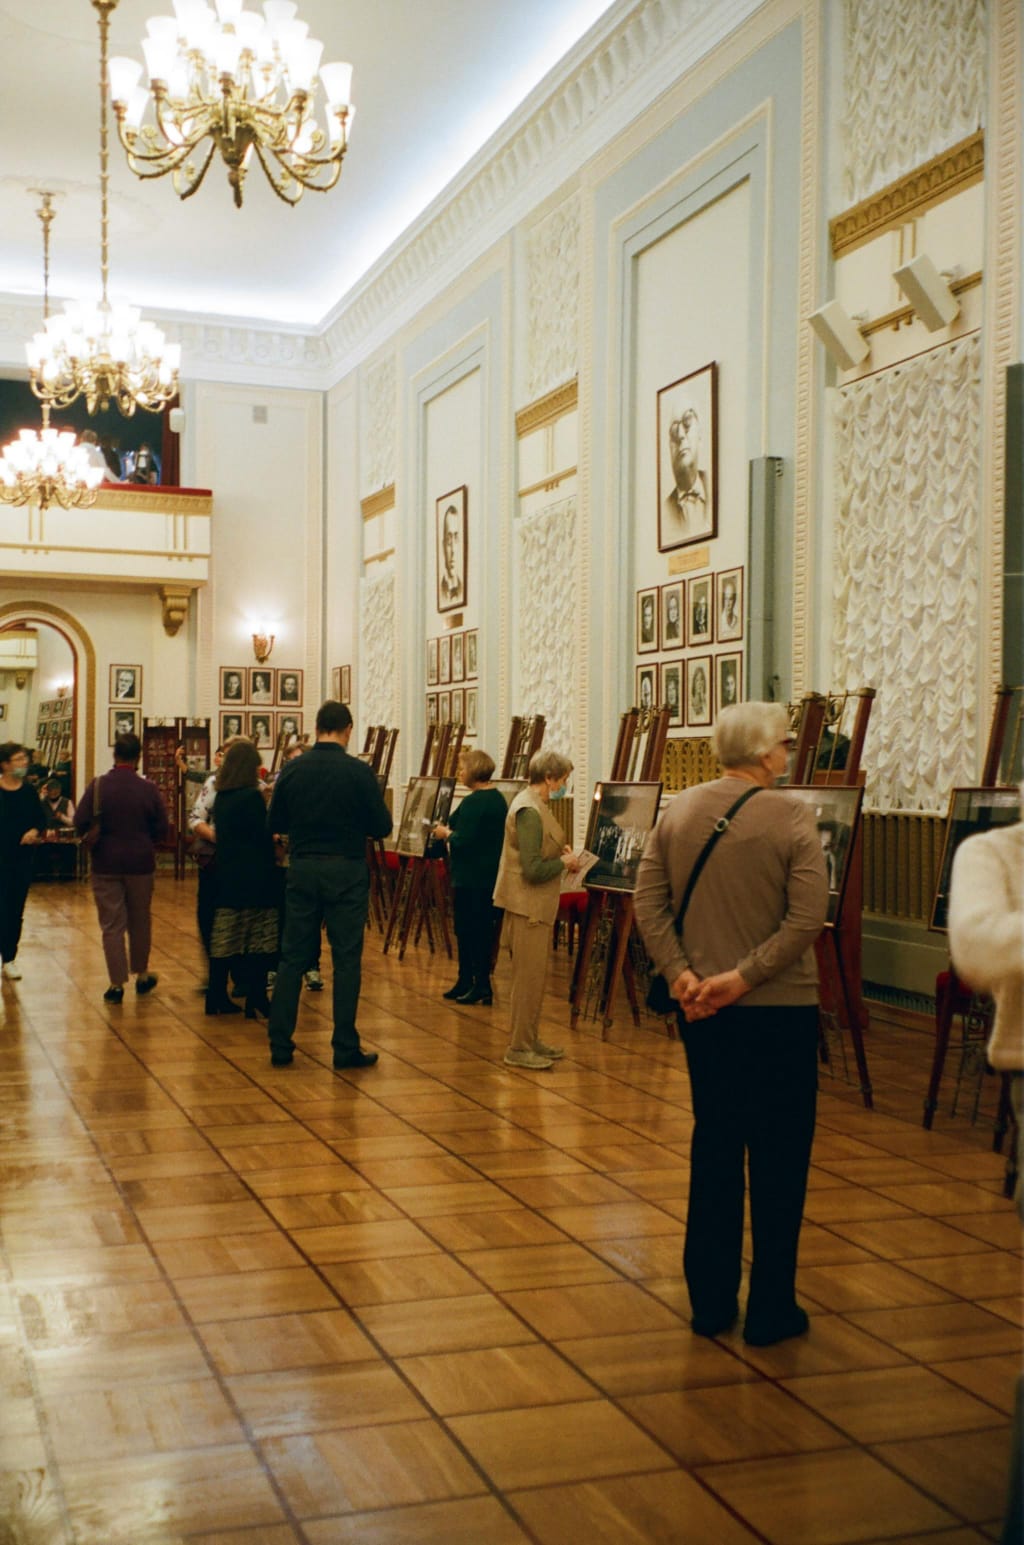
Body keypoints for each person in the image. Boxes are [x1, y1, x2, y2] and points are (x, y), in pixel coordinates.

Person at [634, 702, 828, 1348]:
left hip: (702, 1011)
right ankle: (771, 1306)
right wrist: (744, 977)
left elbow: (648, 902)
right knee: (780, 1157)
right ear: (765, 752)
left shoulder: (679, 809)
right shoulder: (793, 815)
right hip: (779, 1012)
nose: (788, 751)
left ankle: (711, 1300)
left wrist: (683, 975)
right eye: (784, 742)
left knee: (715, 1143)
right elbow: (806, 919)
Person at [266, 700, 392, 1069]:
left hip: (303, 868)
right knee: (346, 960)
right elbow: (382, 826)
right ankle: (344, 1047)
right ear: (347, 729)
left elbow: (275, 822)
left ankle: (280, 1044)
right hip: (346, 871)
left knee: (292, 957)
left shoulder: (293, 769)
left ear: (318, 727)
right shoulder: (359, 772)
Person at [492, 749, 580, 1070]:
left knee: (534, 980)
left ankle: (530, 1039)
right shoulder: (528, 810)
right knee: (527, 982)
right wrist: (564, 863)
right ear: (549, 778)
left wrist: (560, 853)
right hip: (527, 906)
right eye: (564, 779)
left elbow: (540, 850)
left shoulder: (535, 804)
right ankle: (518, 1047)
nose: (564, 786)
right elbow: (532, 869)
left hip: (536, 906)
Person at [74, 732, 168, 1004]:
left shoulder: (98, 786)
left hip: (105, 862)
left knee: (112, 925)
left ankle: (116, 984)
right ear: (139, 757)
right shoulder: (148, 788)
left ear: (114, 755)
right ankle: (142, 974)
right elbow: (162, 828)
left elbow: (80, 820)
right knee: (140, 920)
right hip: (141, 863)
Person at [206, 739, 281, 1018]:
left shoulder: (223, 796)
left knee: (225, 938)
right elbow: (261, 836)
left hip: (228, 875)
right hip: (256, 877)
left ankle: (215, 994)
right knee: (260, 939)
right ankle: (257, 997)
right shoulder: (251, 797)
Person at [433, 748, 507, 1005]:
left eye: (463, 768)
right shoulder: (496, 798)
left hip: (474, 877)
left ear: (474, 771)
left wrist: (445, 834)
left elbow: (462, 839)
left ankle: (479, 983)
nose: (460, 773)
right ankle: (467, 980)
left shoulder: (476, 802)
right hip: (485, 876)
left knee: (472, 930)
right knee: (472, 929)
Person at [0, 742, 44, 979]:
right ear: (5, 764)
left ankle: (9, 958)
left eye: (24, 758)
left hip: (21, 861)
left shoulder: (28, 792)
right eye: (18, 759)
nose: (24, 763)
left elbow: (40, 820)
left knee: (15, 909)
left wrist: (34, 831)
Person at [663, 402, 708, 538]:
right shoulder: (665, 511)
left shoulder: (721, 488)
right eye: (674, 431)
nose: (681, 435)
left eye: (687, 421)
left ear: (700, 434)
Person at [439, 502, 464, 607]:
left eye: (456, 539)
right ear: (443, 546)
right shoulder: (441, 591)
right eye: (449, 541)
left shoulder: (463, 588)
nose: (453, 550)